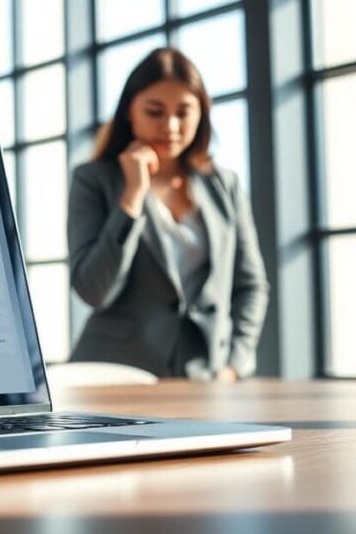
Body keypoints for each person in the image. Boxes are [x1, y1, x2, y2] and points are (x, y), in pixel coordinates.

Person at [67, 47, 269, 380]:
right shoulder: (94, 180)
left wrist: (235, 364)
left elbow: (251, 285)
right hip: (114, 375)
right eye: (155, 111)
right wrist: (131, 196)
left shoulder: (224, 185)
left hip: (203, 377)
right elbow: (93, 290)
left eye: (184, 112)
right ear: (130, 111)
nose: (171, 126)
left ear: (201, 113)